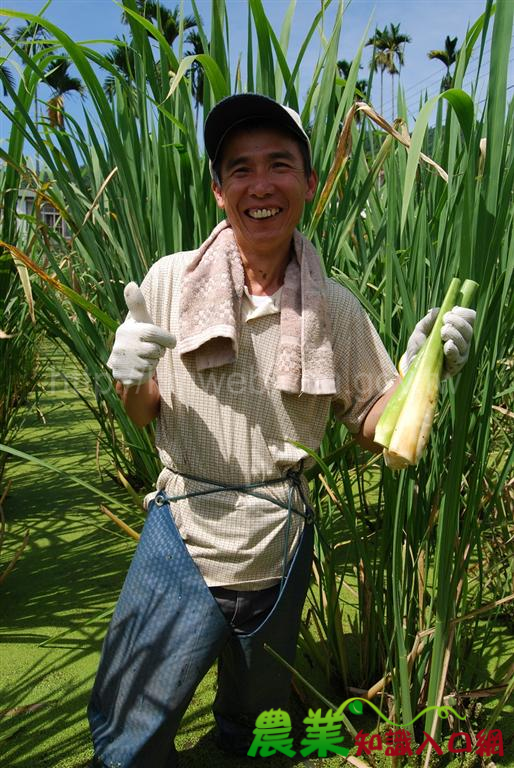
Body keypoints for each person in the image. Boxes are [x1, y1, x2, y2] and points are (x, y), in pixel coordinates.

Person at [88, 93, 475, 768]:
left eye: (279, 165)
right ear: (217, 190)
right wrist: (126, 378)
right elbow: (144, 409)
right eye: (239, 169)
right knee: (128, 726)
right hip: (184, 531)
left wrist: (421, 371)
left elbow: (373, 426)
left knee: (258, 721)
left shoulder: (336, 309)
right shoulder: (170, 282)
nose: (259, 185)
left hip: (279, 543)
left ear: (310, 184)